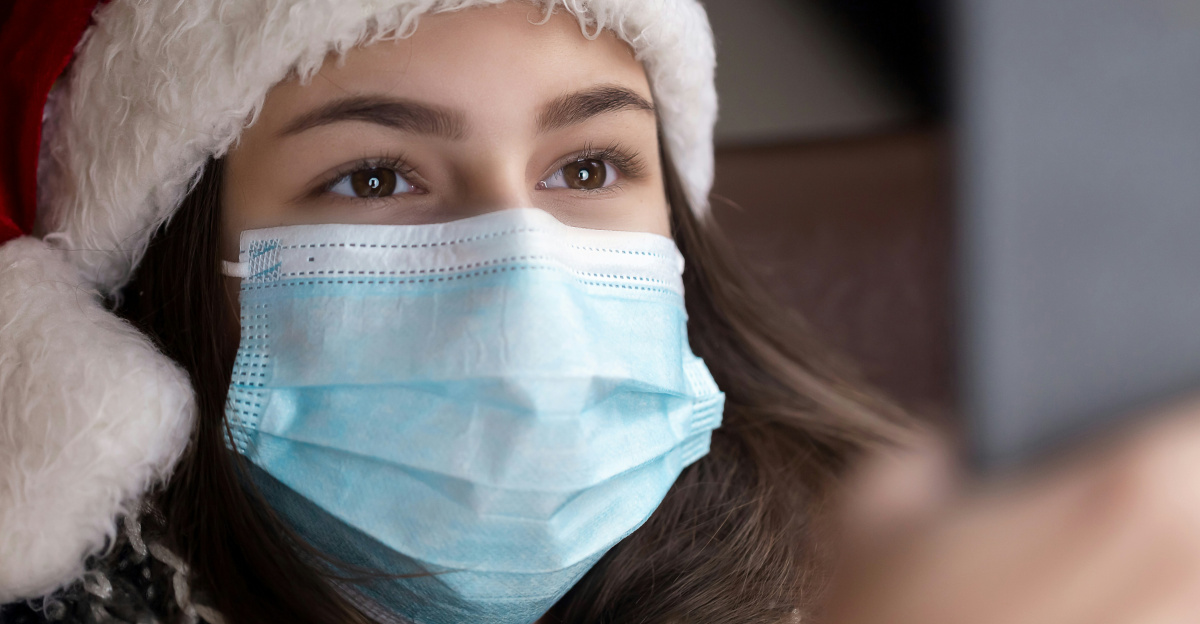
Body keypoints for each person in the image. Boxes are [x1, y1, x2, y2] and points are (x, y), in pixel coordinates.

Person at [3, 1, 1200, 624]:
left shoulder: (898, 551)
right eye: (373, 177)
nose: (522, 261)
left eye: (586, 168)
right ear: (170, 278)